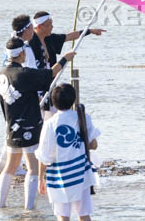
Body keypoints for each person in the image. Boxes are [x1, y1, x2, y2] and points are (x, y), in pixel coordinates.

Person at [0, 37, 75, 210]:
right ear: (21, 53)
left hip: (11, 125)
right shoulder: (24, 74)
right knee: (32, 167)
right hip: (29, 126)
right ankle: (29, 208)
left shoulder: (2, 74)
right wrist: (65, 58)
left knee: (10, 166)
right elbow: (50, 74)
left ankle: (0, 205)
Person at [36, 83, 99, 221]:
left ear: (53, 102)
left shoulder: (50, 124)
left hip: (59, 176)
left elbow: (43, 155)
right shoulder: (83, 118)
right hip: (81, 173)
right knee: (84, 215)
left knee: (63, 217)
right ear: (73, 100)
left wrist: (41, 178)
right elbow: (94, 145)